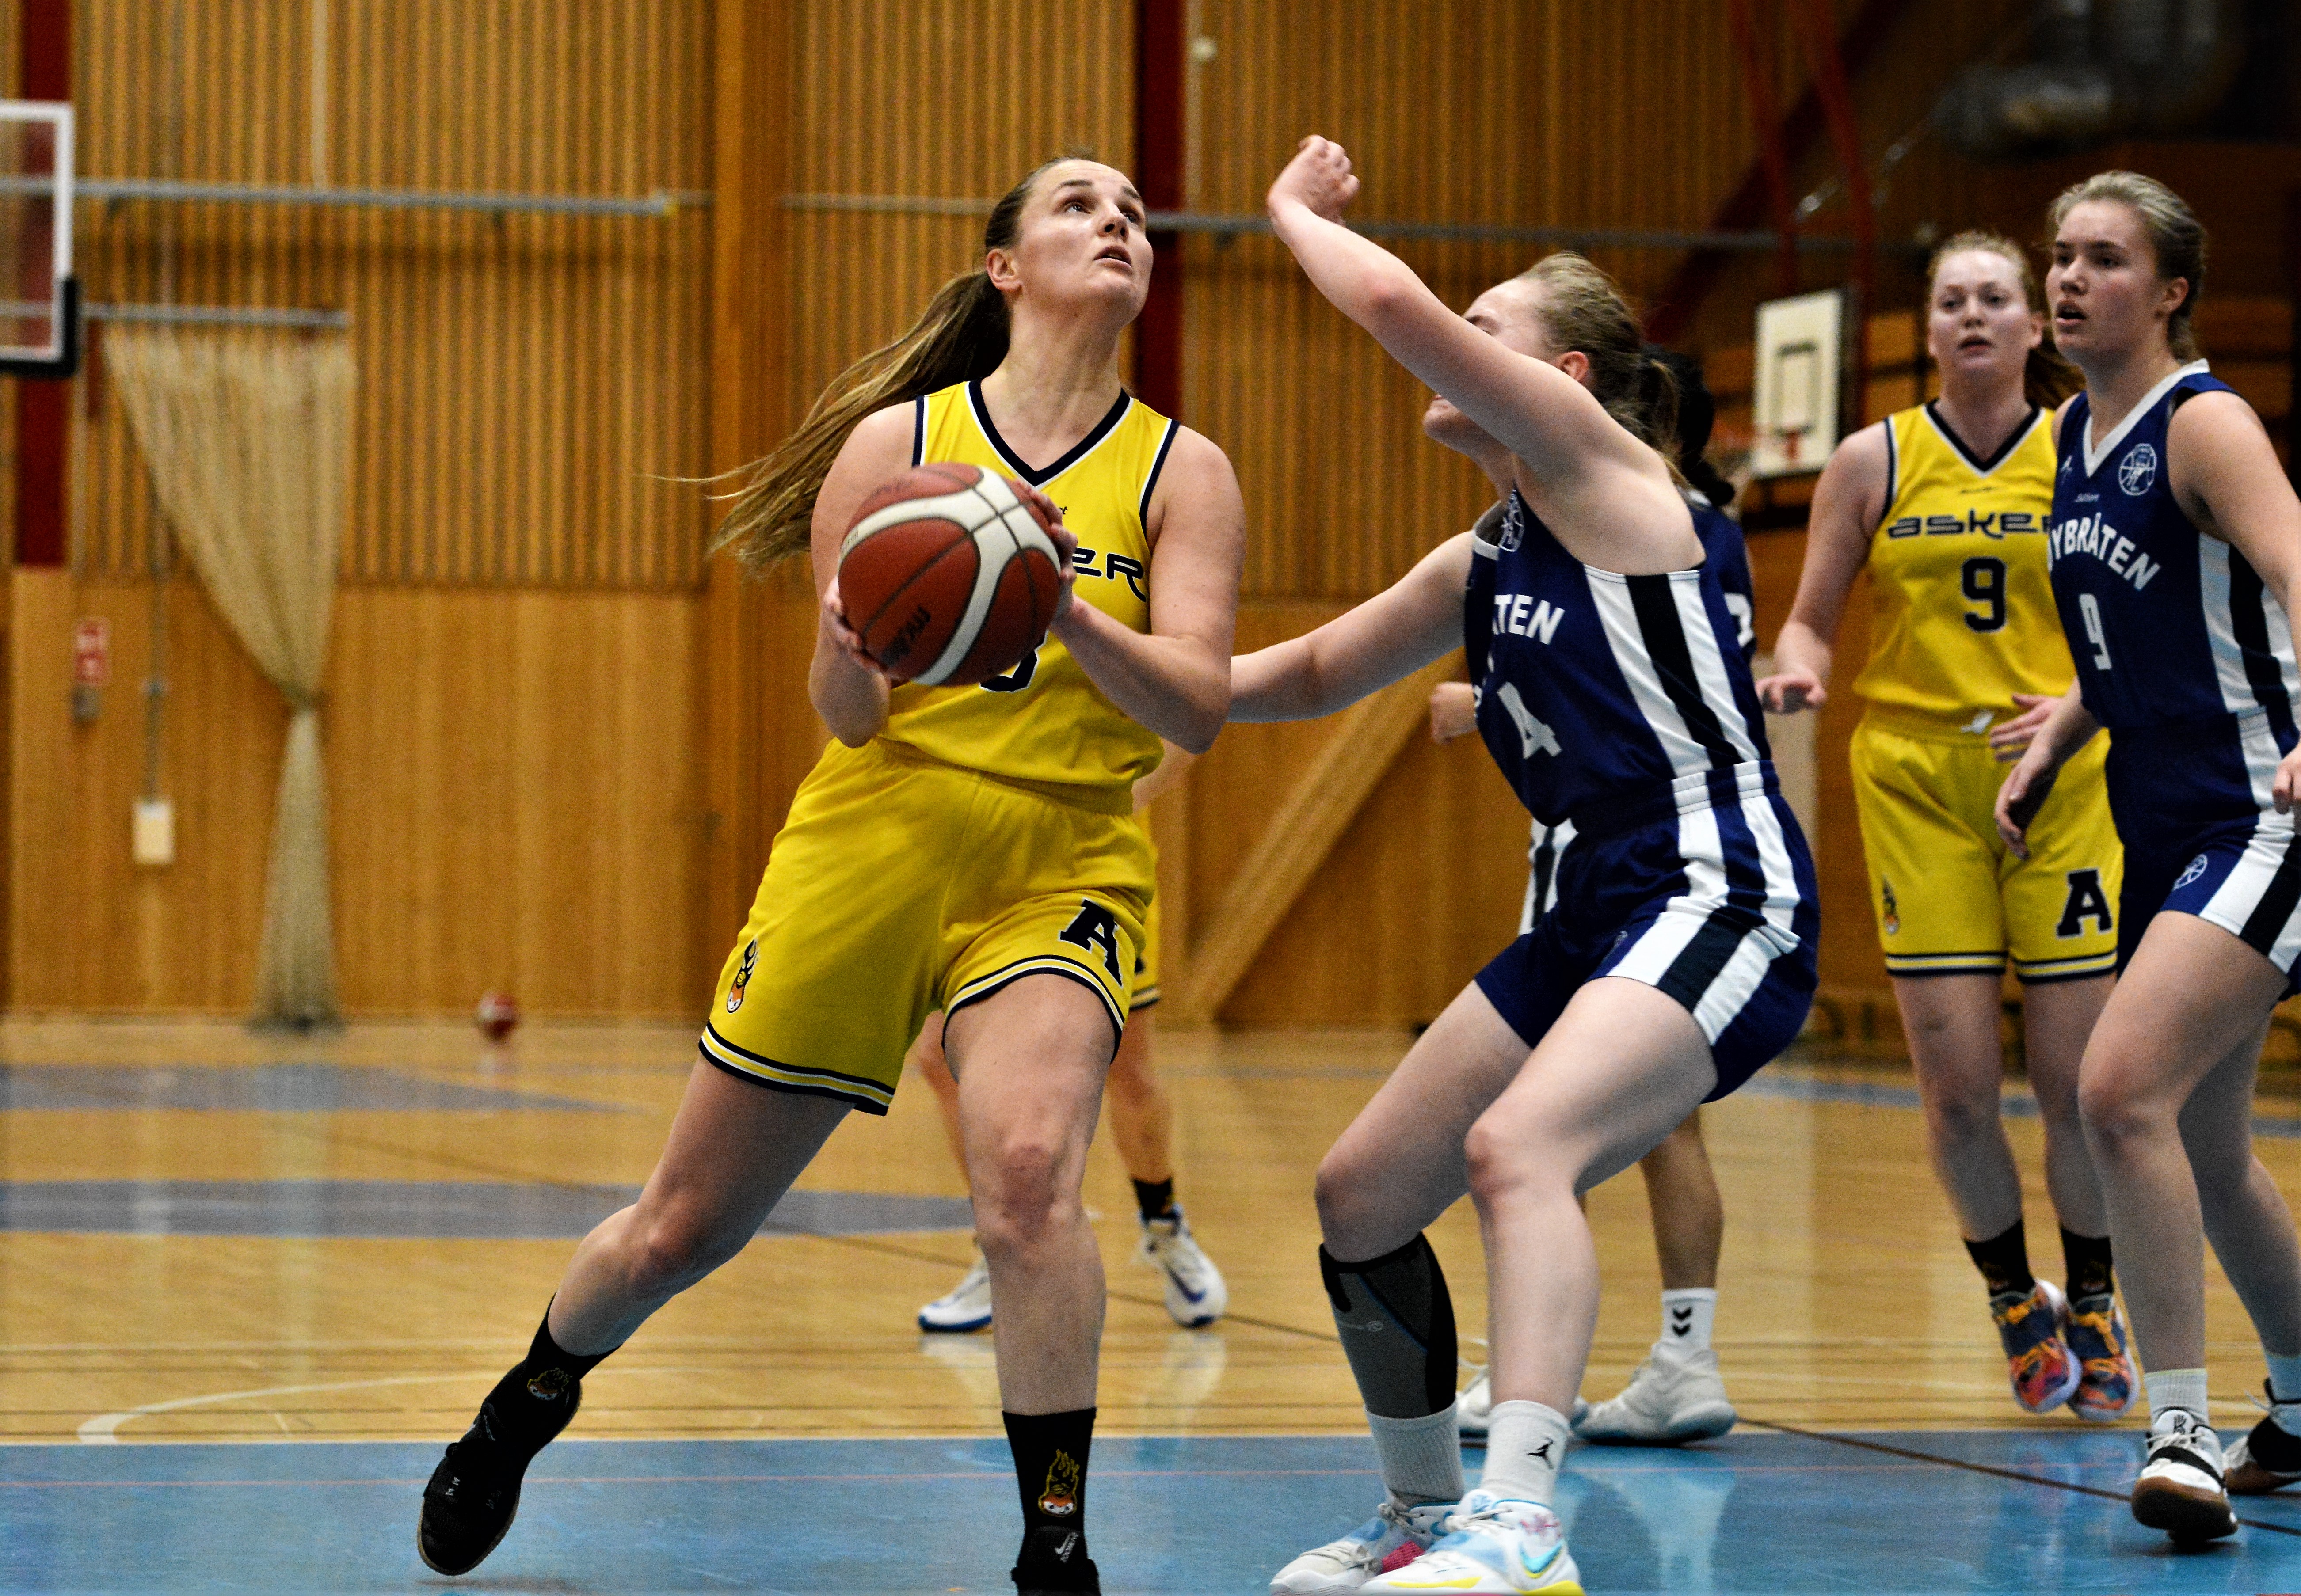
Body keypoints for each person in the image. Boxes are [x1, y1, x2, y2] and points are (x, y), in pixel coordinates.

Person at [414, 156, 1245, 1596]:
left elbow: (1194, 705)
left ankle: (1056, 1551)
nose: (1117, 223)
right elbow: (847, 709)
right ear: (1005, 268)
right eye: (1075, 206)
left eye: (1134, 214)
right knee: (680, 1226)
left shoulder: (1185, 472)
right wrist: (846, 649)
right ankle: (532, 1395)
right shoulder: (895, 447)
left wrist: (1062, 610)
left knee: (1033, 1178)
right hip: (877, 825)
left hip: (1063, 845)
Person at [1242, 137, 1816, 1596]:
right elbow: (1298, 672)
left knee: (1520, 1149)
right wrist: (1065, 637)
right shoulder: (1489, 550)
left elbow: (1385, 306)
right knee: (1361, 1194)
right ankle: (1422, 1513)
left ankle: (1520, 1522)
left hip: (1712, 887)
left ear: (1555, 380)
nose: (1454, 336)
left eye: (1484, 326)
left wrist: (1291, 213)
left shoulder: (1608, 479)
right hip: (1586, 914)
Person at [1759, 231, 2137, 1422]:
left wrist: (2080, 706)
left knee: (2074, 1081)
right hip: (1917, 781)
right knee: (1960, 1087)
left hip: (2061, 769)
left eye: (1993, 298)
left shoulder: (2084, 450)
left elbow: (2133, 616)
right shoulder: (1872, 459)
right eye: (1949, 301)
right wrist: (1795, 669)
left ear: (2032, 325)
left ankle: (2088, 1289)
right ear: (1925, 332)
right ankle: (2005, 1294)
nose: (1971, 315)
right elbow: (1810, 617)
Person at [1996, 171, 2301, 1544]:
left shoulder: (2204, 420)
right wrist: (2065, 719)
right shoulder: (2070, 432)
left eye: (2100, 260)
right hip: (2161, 823)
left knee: (2117, 1086)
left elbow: (2296, 567)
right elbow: (2145, 617)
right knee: (2199, 1138)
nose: (2066, 280)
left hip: (2266, 812)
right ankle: (2295, 1417)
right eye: (2056, 257)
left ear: (2167, 291)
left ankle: (2172, 1427)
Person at [1444, 351, 1751, 1448]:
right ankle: (1677, 1351)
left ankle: (1552, 1377)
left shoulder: (1632, 514)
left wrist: (1479, 702)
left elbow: (1630, 687)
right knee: (1638, 1130)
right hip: (1623, 855)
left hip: (1649, 855)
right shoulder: (1694, 526)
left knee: (1536, 1131)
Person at [913, 745, 1229, 1334]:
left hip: (1092, 864)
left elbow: (1188, 725)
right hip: (984, 858)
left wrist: (1103, 800)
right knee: (939, 1058)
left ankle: (1163, 1227)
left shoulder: (1117, 650)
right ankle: (999, 1244)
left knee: (1126, 1069)